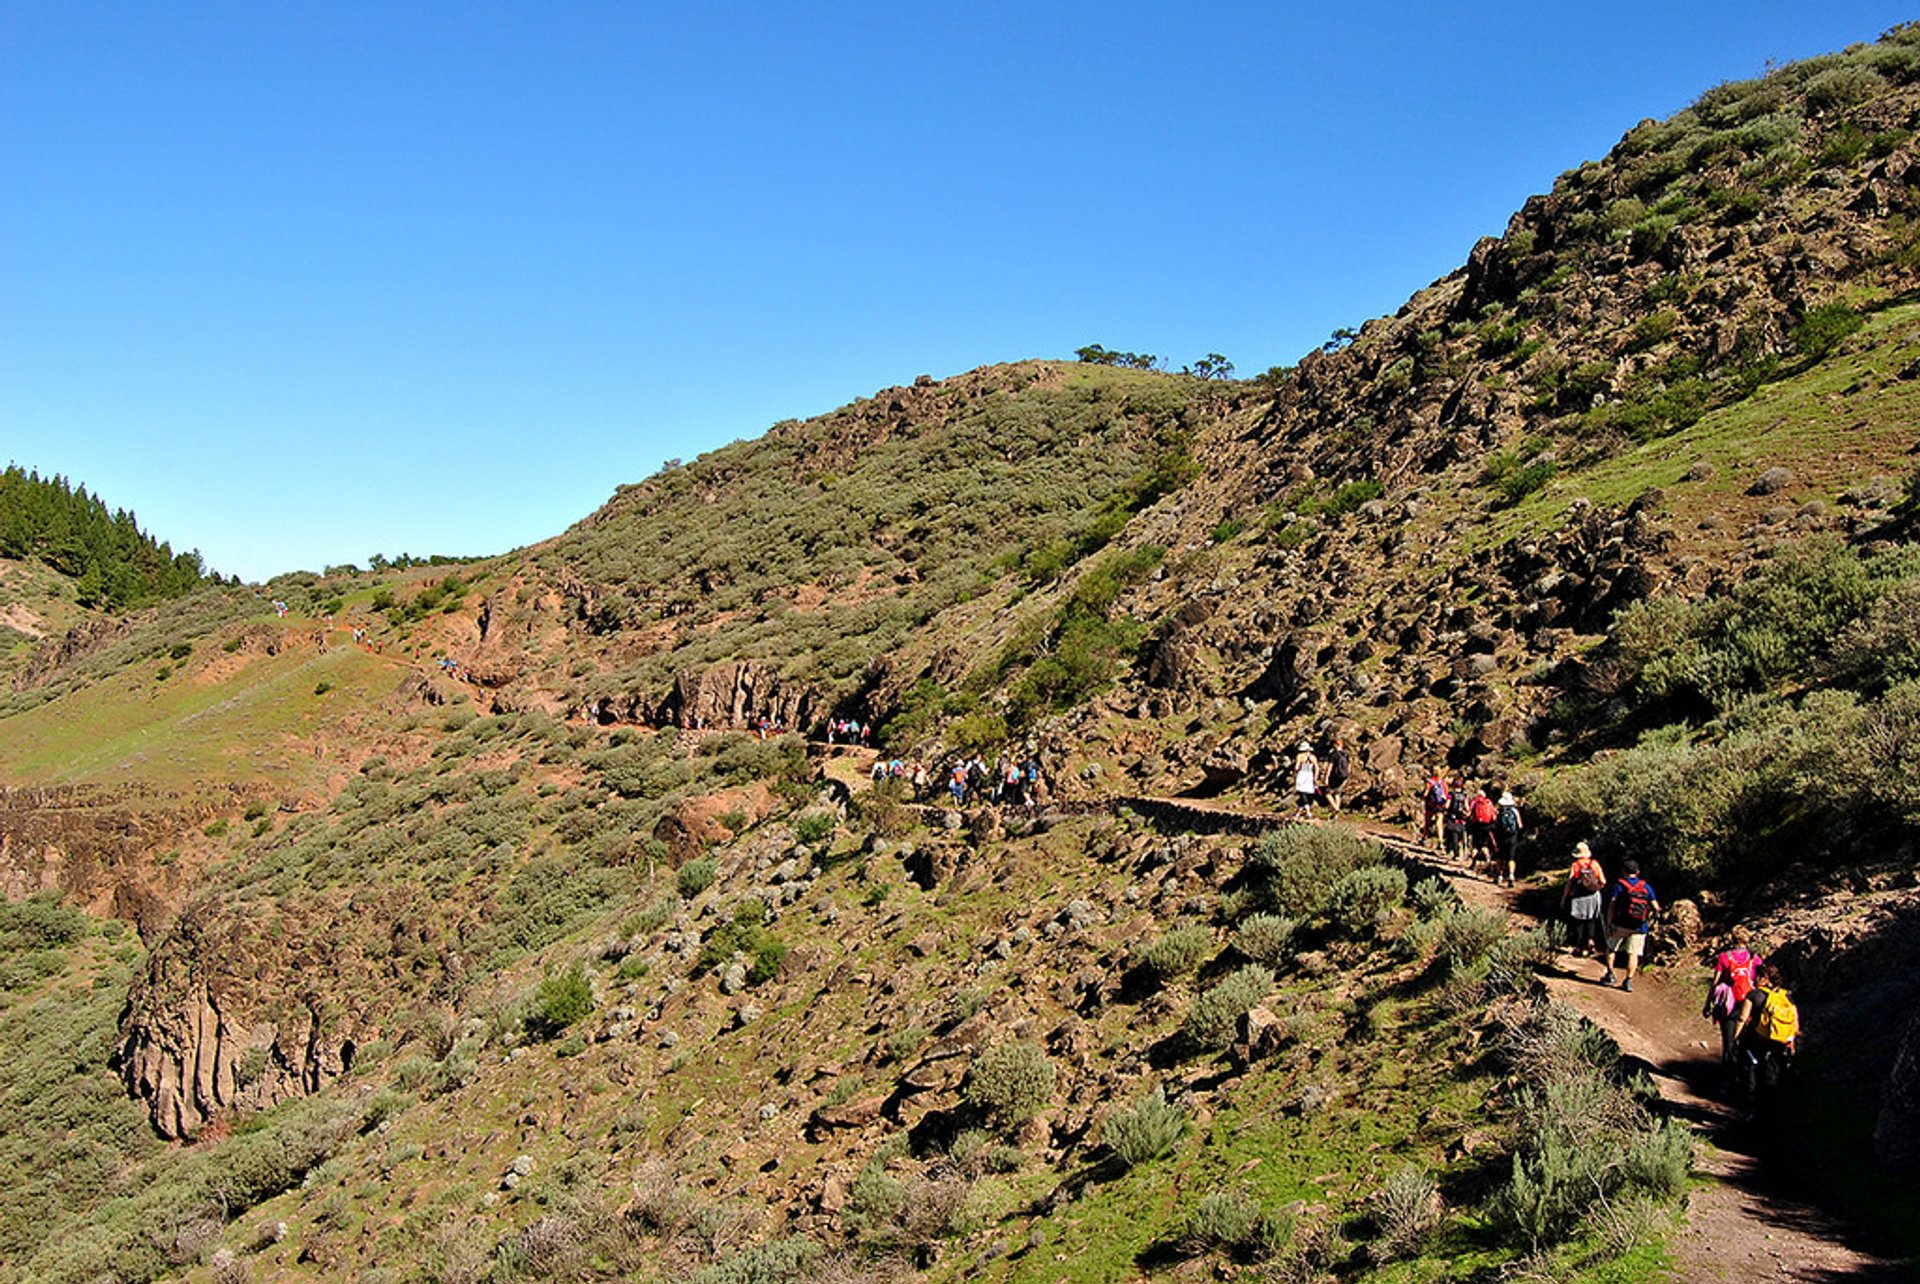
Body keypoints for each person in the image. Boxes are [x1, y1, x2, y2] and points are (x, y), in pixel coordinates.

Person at [1739, 964, 1799, 1116]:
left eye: (1757, 976)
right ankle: (1771, 1112)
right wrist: (1791, 1043)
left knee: (1751, 1071)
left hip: (1758, 1041)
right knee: (1772, 1076)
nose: (1754, 979)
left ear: (1764, 979)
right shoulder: (1786, 997)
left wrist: (1735, 1038)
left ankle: (1752, 1108)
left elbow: (1742, 1018)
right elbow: (1795, 1023)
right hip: (1780, 1042)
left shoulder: (1754, 995)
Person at [1704, 936, 1765, 1075]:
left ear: (1732, 941)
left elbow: (1715, 983)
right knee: (1748, 1043)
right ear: (1746, 941)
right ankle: (1747, 1077)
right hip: (1749, 1004)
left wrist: (1708, 1004)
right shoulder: (1754, 958)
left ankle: (1727, 1078)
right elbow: (1762, 978)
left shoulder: (1724, 957)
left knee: (1729, 1043)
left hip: (1729, 1006)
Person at [1601, 858, 1660, 992]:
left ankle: (1610, 974)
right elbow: (1656, 907)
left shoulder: (1619, 885)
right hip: (1640, 926)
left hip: (1620, 924)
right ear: (1638, 872)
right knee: (1633, 953)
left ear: (1623, 871)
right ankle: (1628, 981)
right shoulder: (1645, 886)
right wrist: (1649, 917)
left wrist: (1609, 922)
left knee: (1611, 947)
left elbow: (1612, 905)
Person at [1561, 841, 1606, 956]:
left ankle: (1579, 945)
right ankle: (1591, 941)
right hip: (1593, 896)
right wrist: (1594, 888)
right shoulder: (1594, 864)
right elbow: (1603, 881)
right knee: (1591, 919)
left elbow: (1570, 882)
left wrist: (1564, 898)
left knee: (1579, 921)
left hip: (1579, 897)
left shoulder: (1576, 866)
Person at [1492, 790, 1525, 887]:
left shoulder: (1499, 811)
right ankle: (1511, 875)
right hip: (1512, 837)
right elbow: (1520, 825)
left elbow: (1495, 824)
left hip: (1501, 837)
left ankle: (1500, 876)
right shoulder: (1515, 811)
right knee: (1511, 858)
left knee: (1500, 857)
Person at [1323, 736, 1351, 816]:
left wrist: (1326, 777)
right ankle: (1335, 814)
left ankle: (1336, 808)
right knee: (1337, 794)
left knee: (1327, 793)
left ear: (1335, 745)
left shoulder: (1333, 754)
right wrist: (1347, 775)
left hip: (1334, 776)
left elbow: (1329, 767)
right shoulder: (1346, 754)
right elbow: (1349, 765)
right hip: (1343, 776)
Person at [1421, 768, 1450, 846]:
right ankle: (1440, 840)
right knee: (1439, 823)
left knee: (1427, 821)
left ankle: (1425, 837)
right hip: (1440, 805)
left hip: (1431, 805)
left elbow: (1425, 794)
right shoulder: (1443, 783)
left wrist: (1423, 797)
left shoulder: (1430, 782)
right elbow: (1447, 794)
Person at [1292, 741, 1319, 819]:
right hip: (1309, 775)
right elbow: (1317, 767)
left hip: (1302, 774)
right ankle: (1298, 812)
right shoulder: (1313, 757)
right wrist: (1315, 777)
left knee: (1302, 793)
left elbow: (1296, 767)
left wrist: (1294, 774)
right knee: (1307, 793)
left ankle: (1308, 811)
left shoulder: (1300, 756)